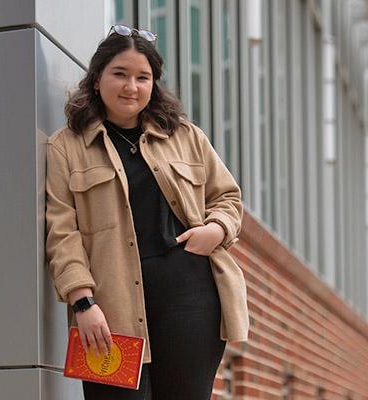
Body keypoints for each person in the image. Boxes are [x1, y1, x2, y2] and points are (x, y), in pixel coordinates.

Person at [45, 25, 248, 399]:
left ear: (154, 84)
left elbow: (228, 198)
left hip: (189, 299)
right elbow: (62, 232)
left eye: (143, 77)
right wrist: (83, 301)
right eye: (120, 74)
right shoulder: (66, 147)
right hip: (110, 310)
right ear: (96, 79)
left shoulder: (186, 137)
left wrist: (215, 231)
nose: (131, 87)